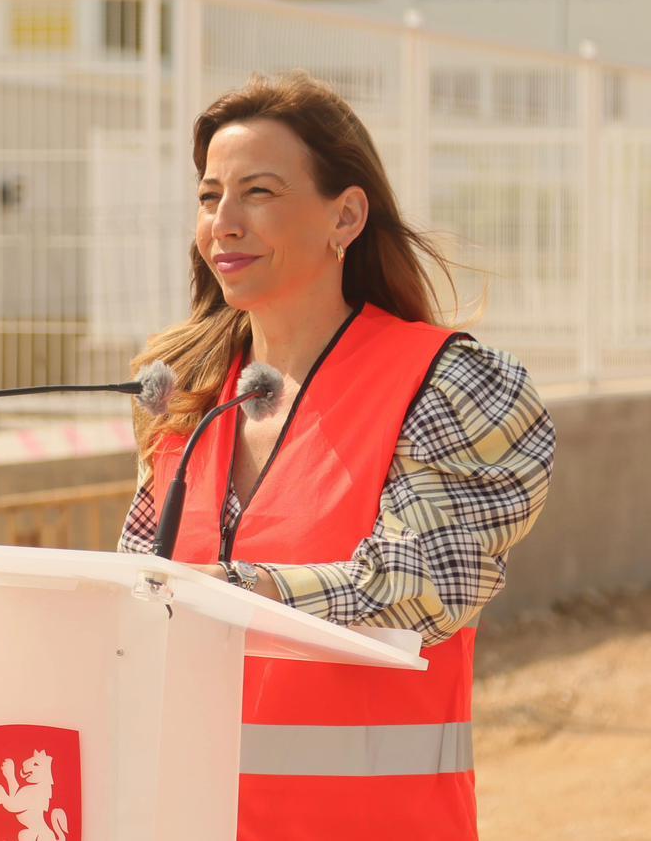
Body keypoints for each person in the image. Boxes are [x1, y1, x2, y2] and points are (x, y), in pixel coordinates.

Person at [118, 72, 555, 840]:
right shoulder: (186, 396)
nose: (224, 223)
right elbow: (137, 604)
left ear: (345, 216)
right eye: (209, 197)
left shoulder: (448, 387)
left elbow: (423, 587)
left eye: (258, 193)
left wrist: (236, 591)